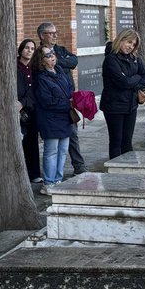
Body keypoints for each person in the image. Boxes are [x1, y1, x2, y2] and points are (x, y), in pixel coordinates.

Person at [37, 21, 86, 175]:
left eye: (55, 32)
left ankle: (79, 166)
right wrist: (59, 62)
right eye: (51, 33)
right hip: (53, 105)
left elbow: (74, 61)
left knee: (72, 135)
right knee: (52, 147)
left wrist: (57, 60)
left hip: (68, 100)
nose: (55, 35)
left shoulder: (60, 50)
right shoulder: (39, 54)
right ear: (42, 35)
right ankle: (50, 178)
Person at [99, 28, 145, 160]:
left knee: (127, 141)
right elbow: (124, 83)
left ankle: (129, 168)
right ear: (121, 40)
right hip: (114, 106)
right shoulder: (111, 59)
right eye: (129, 42)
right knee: (117, 140)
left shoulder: (135, 58)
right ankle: (115, 169)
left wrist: (133, 81)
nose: (131, 46)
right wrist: (137, 77)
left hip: (131, 105)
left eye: (134, 44)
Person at [32, 44, 74, 191]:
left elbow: (70, 88)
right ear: (41, 60)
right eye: (48, 55)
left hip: (64, 118)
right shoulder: (40, 78)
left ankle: (58, 180)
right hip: (50, 119)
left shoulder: (60, 71)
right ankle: (48, 183)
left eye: (52, 54)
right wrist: (67, 103)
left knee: (63, 150)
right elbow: (47, 101)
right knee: (51, 151)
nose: (52, 57)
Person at [16, 38, 42, 184]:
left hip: (31, 109)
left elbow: (35, 91)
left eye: (32, 49)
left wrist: (24, 102)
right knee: (19, 141)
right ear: (21, 49)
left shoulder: (35, 69)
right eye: (27, 48)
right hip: (17, 110)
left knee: (32, 142)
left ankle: (34, 173)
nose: (29, 51)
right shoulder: (14, 67)